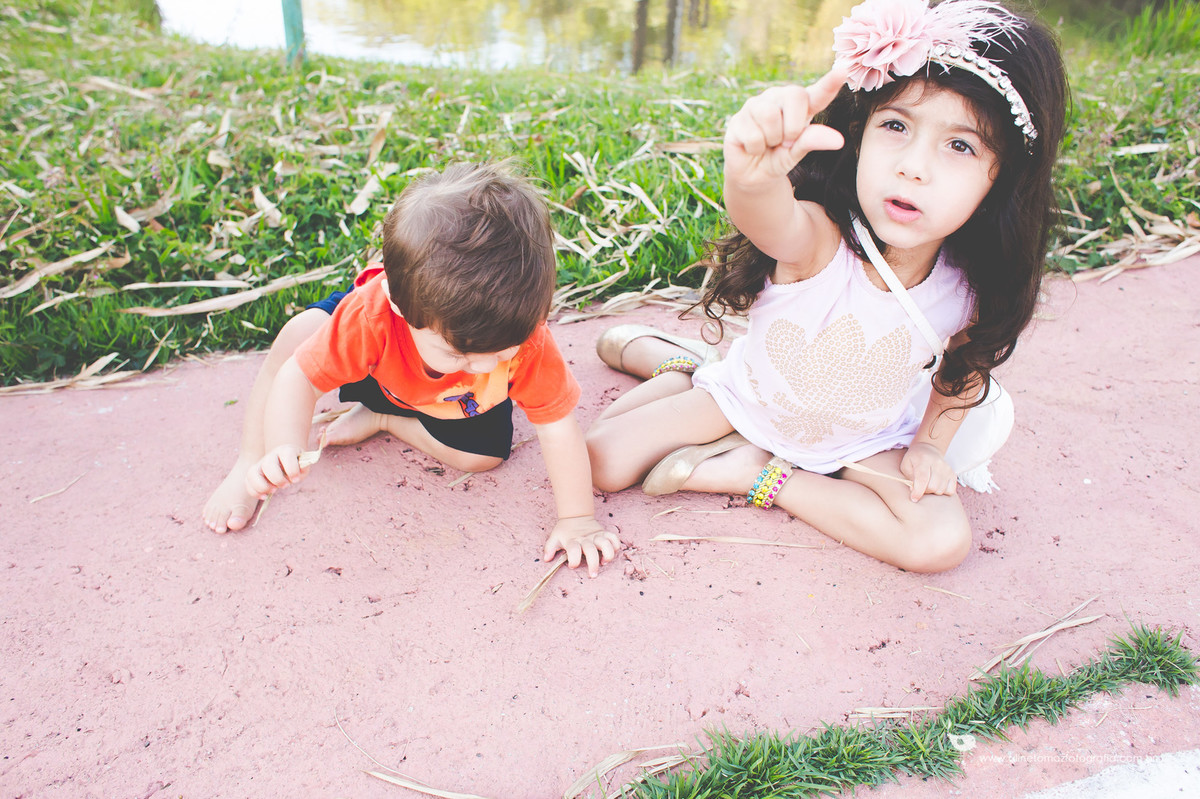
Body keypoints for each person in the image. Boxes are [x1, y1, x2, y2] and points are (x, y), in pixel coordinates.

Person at [586, 0, 1068, 572]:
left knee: (937, 542)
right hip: (746, 402)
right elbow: (768, 216)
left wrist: (932, 447)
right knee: (601, 461)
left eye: (960, 145)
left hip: (861, 441)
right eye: (896, 125)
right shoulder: (820, 240)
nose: (914, 166)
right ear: (861, 133)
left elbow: (967, 368)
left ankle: (758, 472)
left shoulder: (969, 288)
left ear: (1002, 178)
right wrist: (750, 175)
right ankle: (683, 367)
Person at [204, 162, 620, 576]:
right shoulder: (369, 318)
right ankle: (247, 461)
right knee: (299, 334)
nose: (487, 364)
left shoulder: (524, 338)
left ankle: (384, 418)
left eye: (503, 349)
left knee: (484, 457)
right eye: (461, 353)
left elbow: (558, 427)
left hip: (456, 403)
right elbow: (298, 378)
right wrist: (283, 444)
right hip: (377, 369)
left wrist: (577, 519)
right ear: (399, 306)